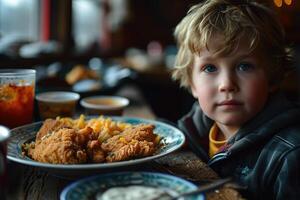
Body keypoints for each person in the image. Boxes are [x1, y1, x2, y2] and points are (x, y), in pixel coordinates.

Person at [172, 0, 300, 199]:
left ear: (272, 78)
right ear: (192, 84)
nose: (226, 84)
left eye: (244, 66)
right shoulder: (193, 129)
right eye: (210, 68)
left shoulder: (290, 156)